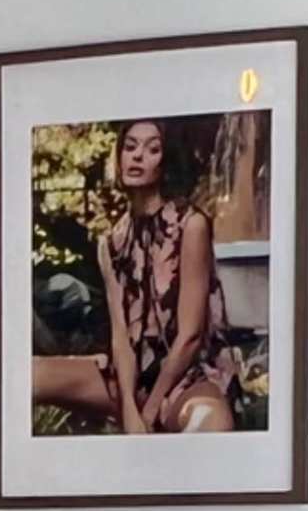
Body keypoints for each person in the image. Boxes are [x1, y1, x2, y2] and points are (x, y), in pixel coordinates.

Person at [32, 118, 240, 435]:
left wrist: (151, 410)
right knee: (29, 375)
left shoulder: (191, 225)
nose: (138, 156)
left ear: (165, 162)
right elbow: (121, 338)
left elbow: (190, 336)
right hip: (129, 379)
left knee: (211, 423)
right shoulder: (111, 243)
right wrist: (130, 408)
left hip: (187, 377)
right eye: (130, 147)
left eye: (152, 149)